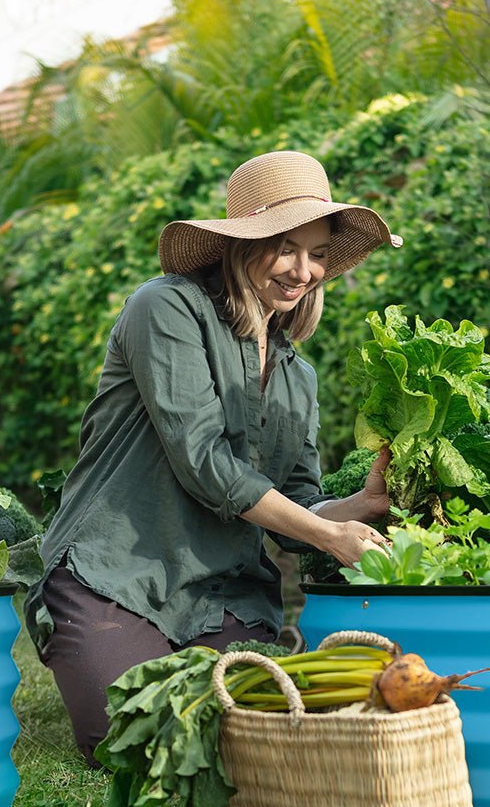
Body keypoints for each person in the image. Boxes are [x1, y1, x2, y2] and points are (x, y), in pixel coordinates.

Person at [24, 149, 402, 764]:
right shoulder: (166, 308)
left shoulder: (296, 375)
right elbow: (201, 459)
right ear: (240, 243)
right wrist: (331, 536)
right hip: (118, 573)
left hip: (224, 595)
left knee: (240, 743)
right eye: (285, 247)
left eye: (317, 254)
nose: (302, 271)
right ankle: (79, 633)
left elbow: (300, 507)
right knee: (131, 743)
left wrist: (358, 506)